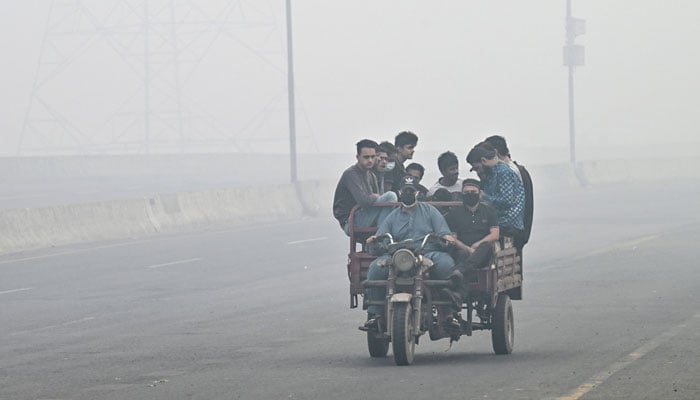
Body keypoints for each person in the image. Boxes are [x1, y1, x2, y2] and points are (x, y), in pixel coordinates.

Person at [361, 175, 456, 330]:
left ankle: (448, 313)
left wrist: (446, 238)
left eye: (411, 191)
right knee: (375, 268)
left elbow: (444, 232)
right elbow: (381, 237)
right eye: (405, 191)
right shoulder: (392, 216)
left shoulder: (430, 211)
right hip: (399, 255)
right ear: (399, 192)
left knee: (446, 264)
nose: (408, 194)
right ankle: (375, 315)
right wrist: (374, 240)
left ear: (417, 193)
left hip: (427, 253)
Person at [443, 179, 500, 303]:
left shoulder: (489, 211)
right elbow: (453, 238)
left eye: (473, 192)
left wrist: (477, 245)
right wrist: (468, 249)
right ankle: (459, 294)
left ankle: (460, 271)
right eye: (466, 192)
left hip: (482, 252)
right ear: (462, 194)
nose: (470, 194)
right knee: (462, 254)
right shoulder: (454, 214)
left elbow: (495, 234)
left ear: (479, 193)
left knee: (487, 247)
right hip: (462, 250)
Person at [333, 139, 398, 236]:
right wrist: (375, 196)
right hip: (350, 221)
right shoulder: (351, 174)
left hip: (365, 215)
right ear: (357, 157)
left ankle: (381, 237)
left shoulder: (371, 175)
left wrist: (375, 197)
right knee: (390, 196)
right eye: (366, 157)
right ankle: (381, 237)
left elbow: (378, 199)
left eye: (373, 157)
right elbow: (364, 201)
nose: (370, 160)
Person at [466, 145, 525, 249]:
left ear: (483, 160)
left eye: (477, 168)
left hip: (508, 222)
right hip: (500, 220)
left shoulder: (503, 172)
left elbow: (507, 201)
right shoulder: (492, 173)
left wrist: (484, 197)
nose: (478, 172)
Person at [484, 135, 533, 248]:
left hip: (514, 230)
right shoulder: (518, 169)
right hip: (520, 230)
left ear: (495, 152)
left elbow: (511, 203)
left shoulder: (508, 172)